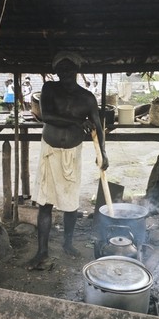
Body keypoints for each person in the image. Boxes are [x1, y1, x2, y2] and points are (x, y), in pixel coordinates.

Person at [26, 51, 109, 270]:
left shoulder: (87, 98)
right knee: (45, 202)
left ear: (76, 70)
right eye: (60, 69)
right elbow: (47, 116)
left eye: (68, 69)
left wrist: (103, 153)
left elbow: (98, 127)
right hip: (50, 151)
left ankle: (68, 243)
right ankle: (42, 251)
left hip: (73, 154)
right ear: (56, 72)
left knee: (71, 204)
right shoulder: (49, 89)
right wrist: (76, 122)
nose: (64, 73)